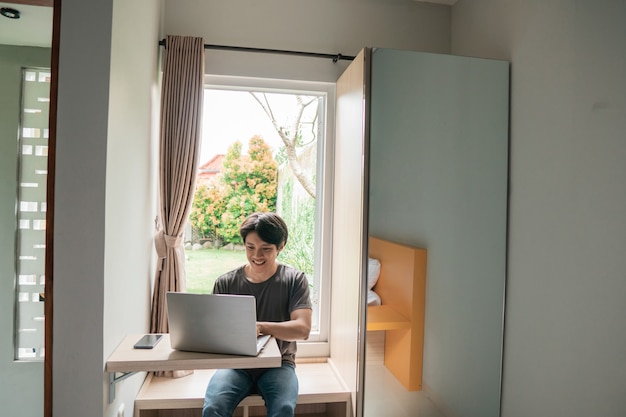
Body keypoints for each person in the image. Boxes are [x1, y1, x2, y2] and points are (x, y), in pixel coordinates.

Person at [202, 212, 312, 417]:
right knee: (213, 408)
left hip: (279, 365)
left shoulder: (295, 280)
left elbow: (303, 329)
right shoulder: (226, 282)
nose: (257, 256)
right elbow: (214, 330)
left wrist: (260, 327)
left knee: (284, 408)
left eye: (266, 249)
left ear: (281, 246)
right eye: (250, 247)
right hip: (236, 366)